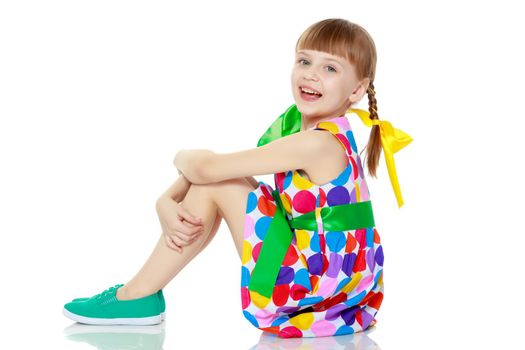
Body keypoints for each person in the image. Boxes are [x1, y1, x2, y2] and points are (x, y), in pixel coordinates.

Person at [63, 18, 412, 338]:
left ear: (356, 90)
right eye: (304, 61)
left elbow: (208, 169)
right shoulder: (313, 132)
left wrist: (179, 159)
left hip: (308, 289)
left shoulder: (316, 143)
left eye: (330, 68)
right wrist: (166, 198)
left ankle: (136, 295)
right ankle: (138, 295)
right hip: (343, 287)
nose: (310, 74)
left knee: (217, 182)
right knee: (218, 182)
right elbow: (221, 170)